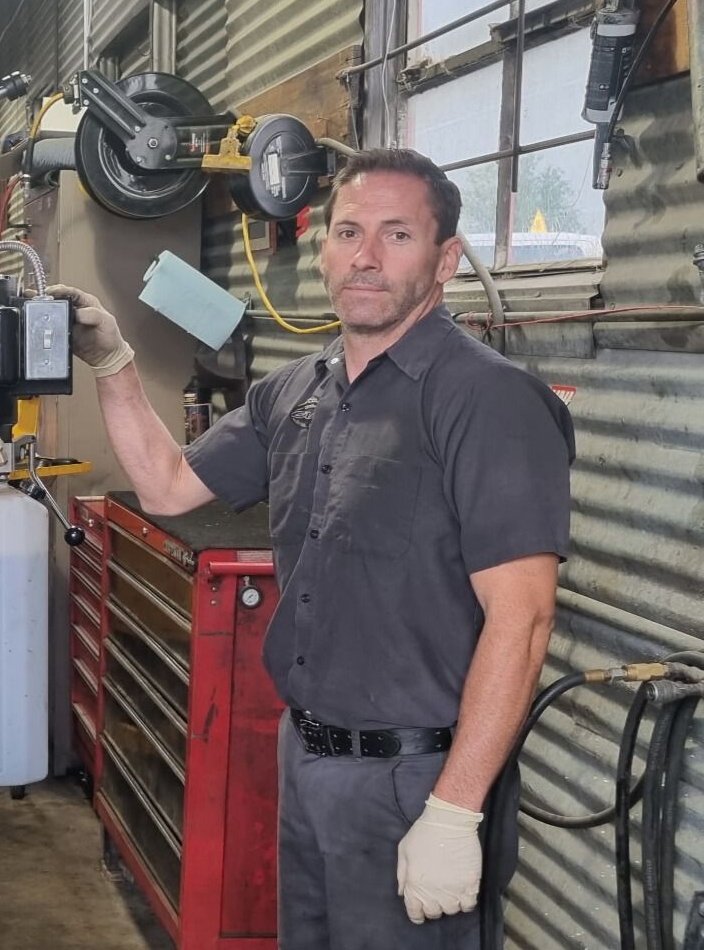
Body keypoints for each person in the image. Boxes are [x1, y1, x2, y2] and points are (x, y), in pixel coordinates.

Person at [51, 147, 574, 950]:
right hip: (306, 756)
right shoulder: (295, 392)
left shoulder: (488, 400)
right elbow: (165, 487)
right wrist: (115, 361)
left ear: (444, 261)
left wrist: (453, 810)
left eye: (397, 235)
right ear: (323, 250)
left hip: (416, 781)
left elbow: (524, 618)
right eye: (348, 232)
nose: (366, 256)